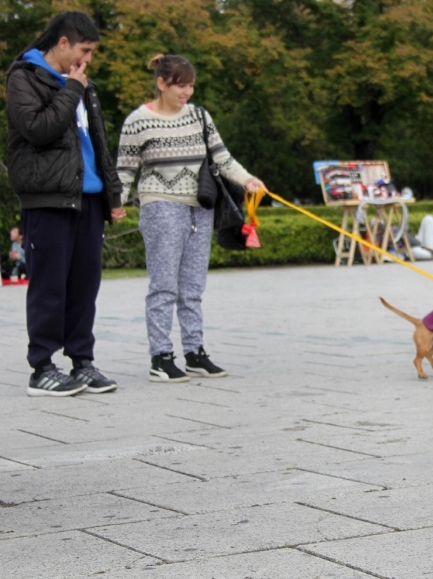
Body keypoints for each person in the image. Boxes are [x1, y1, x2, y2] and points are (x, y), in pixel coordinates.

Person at [116, 54, 265, 383]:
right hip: (161, 206)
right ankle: (161, 356)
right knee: (164, 286)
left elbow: (223, 160)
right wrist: (117, 203)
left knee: (193, 287)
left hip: (201, 206)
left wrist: (248, 180)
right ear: (161, 84)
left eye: (191, 85)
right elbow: (125, 169)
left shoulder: (199, 116)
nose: (187, 92)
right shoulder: (138, 121)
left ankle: (195, 352)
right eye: (180, 85)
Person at [6, 11, 125, 396]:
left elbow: (98, 143)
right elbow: (39, 130)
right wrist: (72, 88)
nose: (87, 59)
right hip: (49, 197)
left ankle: (82, 361)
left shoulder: (83, 84)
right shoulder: (25, 77)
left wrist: (113, 194)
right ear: (62, 44)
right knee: (49, 284)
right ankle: (42, 366)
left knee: (84, 284)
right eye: (84, 50)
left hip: (87, 198)